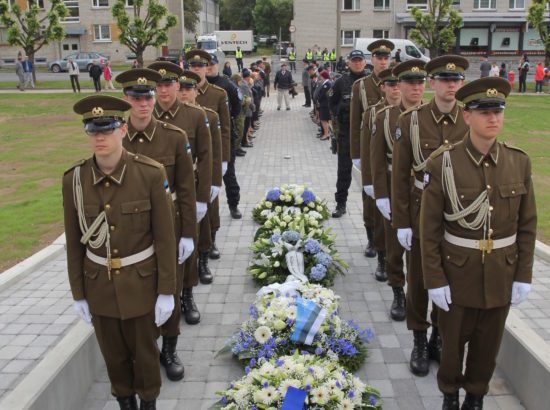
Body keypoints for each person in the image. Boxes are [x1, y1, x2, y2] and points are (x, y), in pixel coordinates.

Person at [421, 77, 536, 410]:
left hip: (501, 274)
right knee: (452, 346)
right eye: (483, 111)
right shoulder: (443, 163)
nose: (493, 119)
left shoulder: (519, 162)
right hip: (457, 276)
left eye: (497, 111)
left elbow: (527, 227)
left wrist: (523, 275)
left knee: (487, 348)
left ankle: (475, 396)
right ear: (467, 116)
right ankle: (449, 396)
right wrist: (434, 279)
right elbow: (429, 230)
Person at [63, 95, 177, 410]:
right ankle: (124, 402)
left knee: (145, 355)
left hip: (141, 285)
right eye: (93, 131)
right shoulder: (75, 180)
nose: (99, 137)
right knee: (113, 357)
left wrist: (167, 291)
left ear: (122, 131)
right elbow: (74, 243)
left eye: (107, 129)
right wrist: (78, 293)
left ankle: (148, 403)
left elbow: (166, 238)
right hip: (98, 285)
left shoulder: (150, 174)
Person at [392, 55, 469, 377]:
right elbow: (399, 175)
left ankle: (439, 335)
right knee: (421, 280)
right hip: (423, 209)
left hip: (460, 214)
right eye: (444, 79)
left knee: (450, 278)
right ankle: (419, 339)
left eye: (456, 80)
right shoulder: (411, 121)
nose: (451, 85)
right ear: (432, 82)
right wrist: (401, 222)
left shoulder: (470, 118)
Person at [146, 61, 213, 323]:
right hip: (151, 200)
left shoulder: (194, 116)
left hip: (182, 195)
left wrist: (203, 197)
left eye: (168, 85)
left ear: (177, 85)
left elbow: (206, 158)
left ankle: (187, 295)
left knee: (186, 250)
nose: (163, 91)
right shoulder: (145, 119)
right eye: (158, 86)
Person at [177, 69, 224, 319]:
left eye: (188, 89)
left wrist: (214, 182)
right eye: (180, 89)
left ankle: (202, 261)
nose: (184, 94)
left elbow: (212, 155)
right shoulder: (166, 119)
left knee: (203, 225)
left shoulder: (208, 116)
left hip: (198, 179)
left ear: (196, 91)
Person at [348, 40, 393, 264]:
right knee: (370, 197)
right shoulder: (361, 86)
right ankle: (371, 237)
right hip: (369, 148)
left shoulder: (397, 82)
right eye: (379, 58)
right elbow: (355, 122)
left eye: (386, 58)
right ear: (372, 59)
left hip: (394, 149)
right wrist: (356, 154)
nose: (383, 62)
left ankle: (388, 243)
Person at [369, 66, 408, 322]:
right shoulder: (382, 116)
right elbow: (376, 156)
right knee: (394, 242)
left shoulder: (425, 116)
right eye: (392, 84)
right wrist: (378, 190)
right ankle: (398, 290)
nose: (397, 88)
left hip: (425, 190)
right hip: (394, 184)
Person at [185, 49, 232, 261]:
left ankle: (211, 239)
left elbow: (225, 130)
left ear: (207, 67)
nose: (196, 70)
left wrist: (224, 159)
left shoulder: (218, 94)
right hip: (188, 157)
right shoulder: (182, 92)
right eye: (192, 67)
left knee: (211, 201)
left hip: (212, 156)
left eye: (200, 66)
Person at [329, 49, 369, 219]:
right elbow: (330, 103)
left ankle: (372, 205)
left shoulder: (371, 82)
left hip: (368, 135)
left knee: (371, 172)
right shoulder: (341, 82)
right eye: (355, 60)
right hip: (346, 133)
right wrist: (342, 110)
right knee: (344, 170)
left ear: (365, 62)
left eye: (360, 60)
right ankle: (341, 203)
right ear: (349, 62)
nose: (358, 63)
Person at [203, 52, 244, 214]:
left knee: (228, 173)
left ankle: (233, 205)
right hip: (205, 137)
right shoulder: (197, 86)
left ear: (217, 66)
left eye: (211, 65)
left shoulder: (226, 84)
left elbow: (237, 105)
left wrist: (227, 119)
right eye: (205, 65)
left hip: (224, 135)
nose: (208, 68)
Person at [317, 70, 332, 140]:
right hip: (325, 104)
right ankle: (327, 133)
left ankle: (326, 134)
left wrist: (318, 100)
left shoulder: (327, 84)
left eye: (321, 76)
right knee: (325, 120)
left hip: (325, 105)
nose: (320, 77)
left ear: (323, 76)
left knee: (324, 120)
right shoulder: (326, 83)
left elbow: (323, 94)